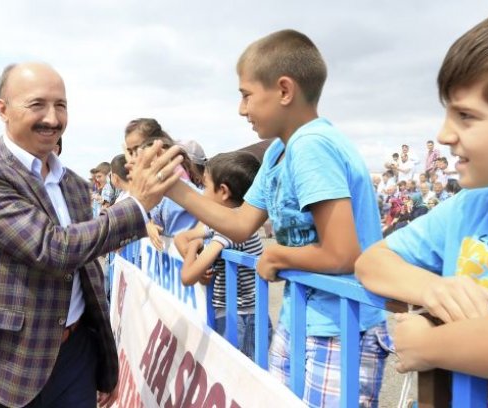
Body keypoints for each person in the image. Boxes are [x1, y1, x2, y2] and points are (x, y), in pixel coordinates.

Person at [0, 62, 183, 408]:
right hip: (0, 363)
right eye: (37, 104)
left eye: (61, 105)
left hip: (74, 356)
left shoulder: (72, 184)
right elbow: (52, 249)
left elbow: (86, 270)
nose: (52, 118)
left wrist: (99, 362)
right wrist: (136, 205)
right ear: (3, 109)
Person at [167, 29, 388, 407]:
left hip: (341, 328)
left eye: (246, 95)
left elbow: (342, 253)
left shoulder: (312, 147)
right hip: (301, 317)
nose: (242, 109)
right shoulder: (277, 154)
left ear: (284, 90)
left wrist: (277, 255)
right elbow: (240, 222)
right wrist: (173, 188)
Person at [355, 2, 488, 406]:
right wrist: (434, 288)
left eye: (466, 116)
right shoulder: (470, 206)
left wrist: (426, 345)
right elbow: (371, 262)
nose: (444, 135)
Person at [174, 151, 264, 360]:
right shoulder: (225, 222)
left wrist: (195, 249)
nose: (202, 192)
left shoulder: (229, 230)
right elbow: (180, 238)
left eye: (205, 186)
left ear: (223, 191)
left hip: (242, 319)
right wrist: (197, 258)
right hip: (235, 313)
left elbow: (187, 276)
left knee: (238, 373)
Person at [124, 118, 199, 251]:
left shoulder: (174, 176)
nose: (133, 158)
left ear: (157, 147)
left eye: (138, 149)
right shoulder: (151, 180)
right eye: (130, 152)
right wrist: (147, 224)